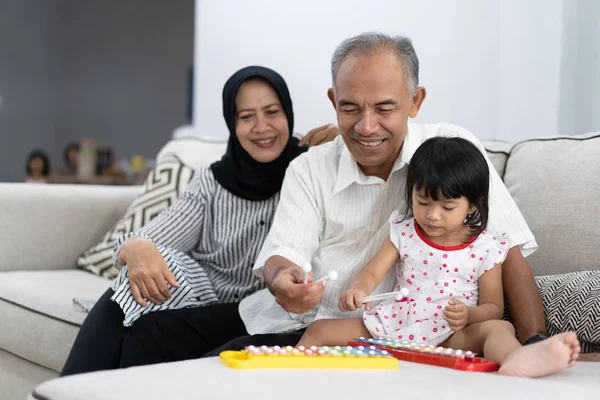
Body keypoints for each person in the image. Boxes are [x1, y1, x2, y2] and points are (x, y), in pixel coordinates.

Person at [204, 32, 550, 356]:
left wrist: (534, 342)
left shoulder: (451, 153)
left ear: (415, 101)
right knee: (174, 344)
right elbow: (283, 255)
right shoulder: (309, 167)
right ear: (333, 101)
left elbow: (509, 253)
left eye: (384, 109)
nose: (366, 127)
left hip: (402, 336)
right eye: (350, 108)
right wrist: (283, 279)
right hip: (307, 325)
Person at [60, 66, 339, 376]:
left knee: (144, 334)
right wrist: (136, 246)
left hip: (261, 307)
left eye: (272, 112)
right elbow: (151, 239)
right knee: (142, 263)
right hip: (199, 294)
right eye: (246, 117)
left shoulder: (308, 168)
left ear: (287, 113)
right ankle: (67, 389)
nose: (262, 127)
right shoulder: (213, 179)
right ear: (232, 124)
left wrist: (342, 141)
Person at [296, 136, 579, 378]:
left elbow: (493, 305)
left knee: (499, 328)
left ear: (472, 206)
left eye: (447, 207)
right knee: (319, 329)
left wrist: (469, 315)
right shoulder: (403, 233)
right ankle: (288, 375)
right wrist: (358, 289)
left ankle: (519, 359)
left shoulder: (486, 249)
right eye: (422, 202)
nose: (432, 215)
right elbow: (372, 272)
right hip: (395, 325)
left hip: (451, 333)